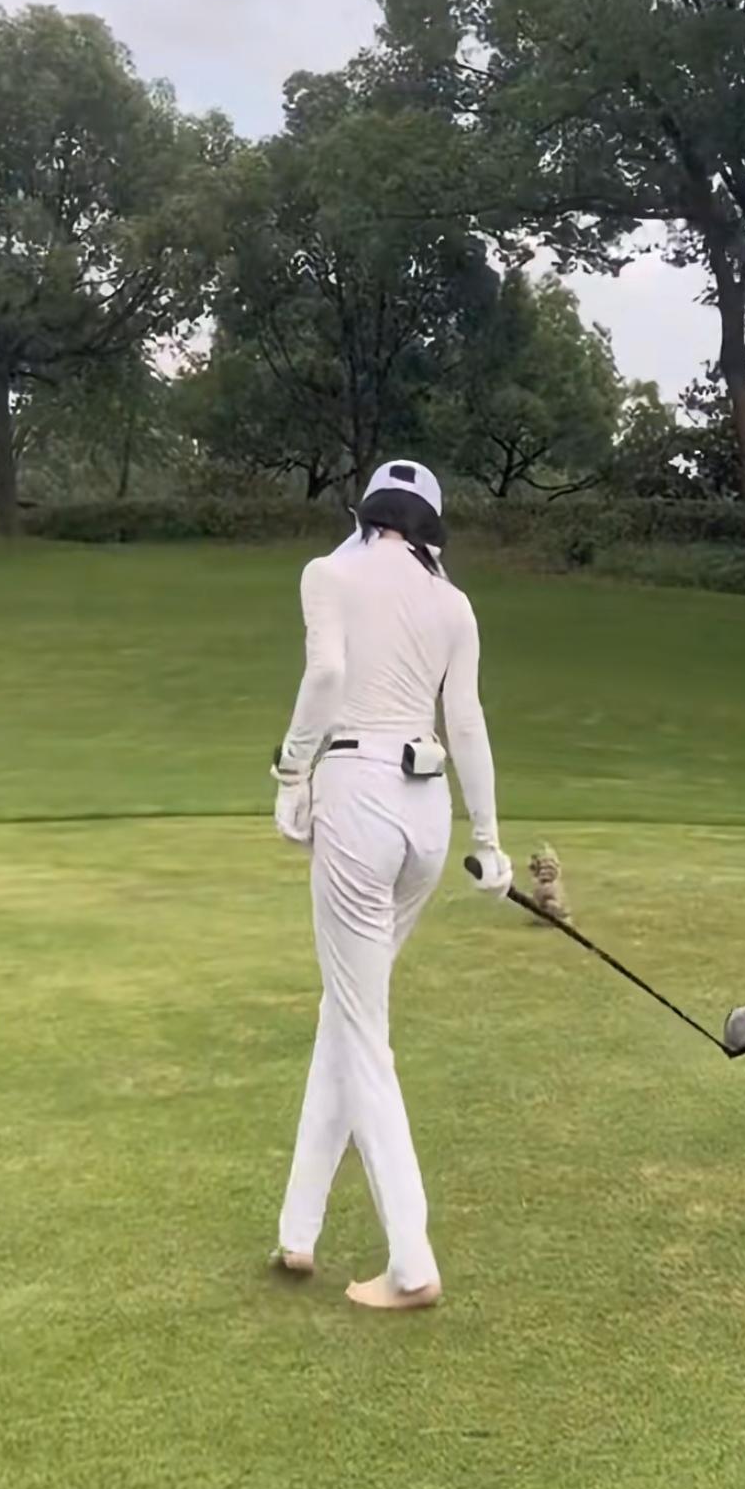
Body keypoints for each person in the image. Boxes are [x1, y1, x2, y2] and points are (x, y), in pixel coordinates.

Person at [270, 460, 512, 1311]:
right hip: (428, 814)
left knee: (362, 1029)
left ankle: (411, 1261)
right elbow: (467, 722)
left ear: (366, 514)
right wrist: (489, 840)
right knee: (347, 1012)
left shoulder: (328, 573)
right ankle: (298, 1228)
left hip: (357, 798)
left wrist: (289, 771)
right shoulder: (455, 603)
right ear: (430, 527)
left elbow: (326, 677)